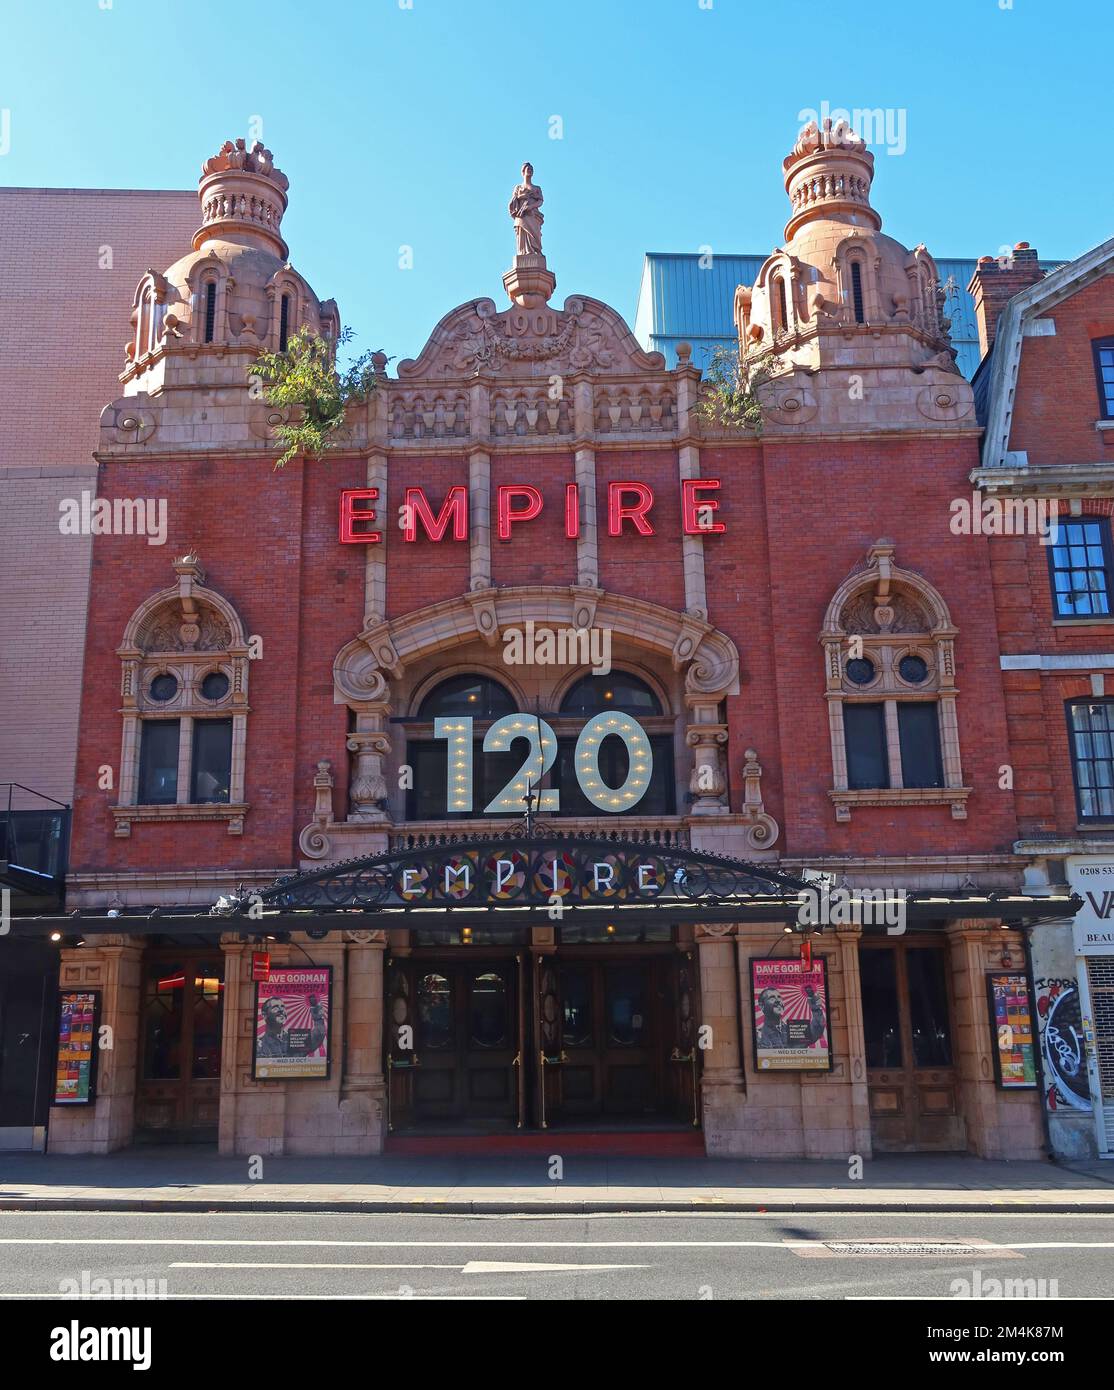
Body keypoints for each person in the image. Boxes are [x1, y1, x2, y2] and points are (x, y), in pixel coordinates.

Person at [757, 984, 825, 1050]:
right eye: (772, 998)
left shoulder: (794, 1030)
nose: (778, 1000)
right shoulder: (759, 1035)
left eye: (779, 997)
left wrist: (816, 1009)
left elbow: (816, 1030)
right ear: (761, 1006)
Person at [257, 994, 326, 1058]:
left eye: (283, 1007)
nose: (281, 1010)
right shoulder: (259, 1045)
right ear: (264, 1015)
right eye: (275, 1007)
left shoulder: (294, 1039)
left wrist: (316, 1011)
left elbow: (318, 1036)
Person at [508, 163, 544, 257]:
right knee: (522, 234)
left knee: (535, 236)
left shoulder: (536, 188)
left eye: (531, 169)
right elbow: (513, 201)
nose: (530, 171)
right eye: (528, 169)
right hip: (522, 215)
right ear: (523, 172)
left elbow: (540, 201)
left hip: (533, 215)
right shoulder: (518, 188)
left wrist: (530, 207)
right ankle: (523, 252)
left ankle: (534, 251)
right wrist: (521, 197)